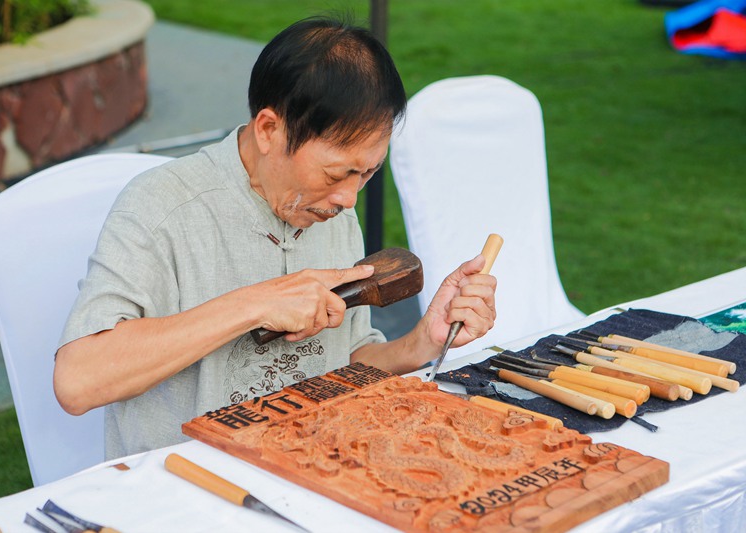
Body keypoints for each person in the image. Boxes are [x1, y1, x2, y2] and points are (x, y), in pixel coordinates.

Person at [54, 17, 497, 460]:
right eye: (337, 173)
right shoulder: (162, 207)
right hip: (189, 483)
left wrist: (422, 343)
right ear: (269, 130)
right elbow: (78, 381)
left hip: (312, 468)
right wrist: (256, 303)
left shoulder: (332, 211)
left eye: (368, 173)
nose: (348, 198)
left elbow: (340, 367)